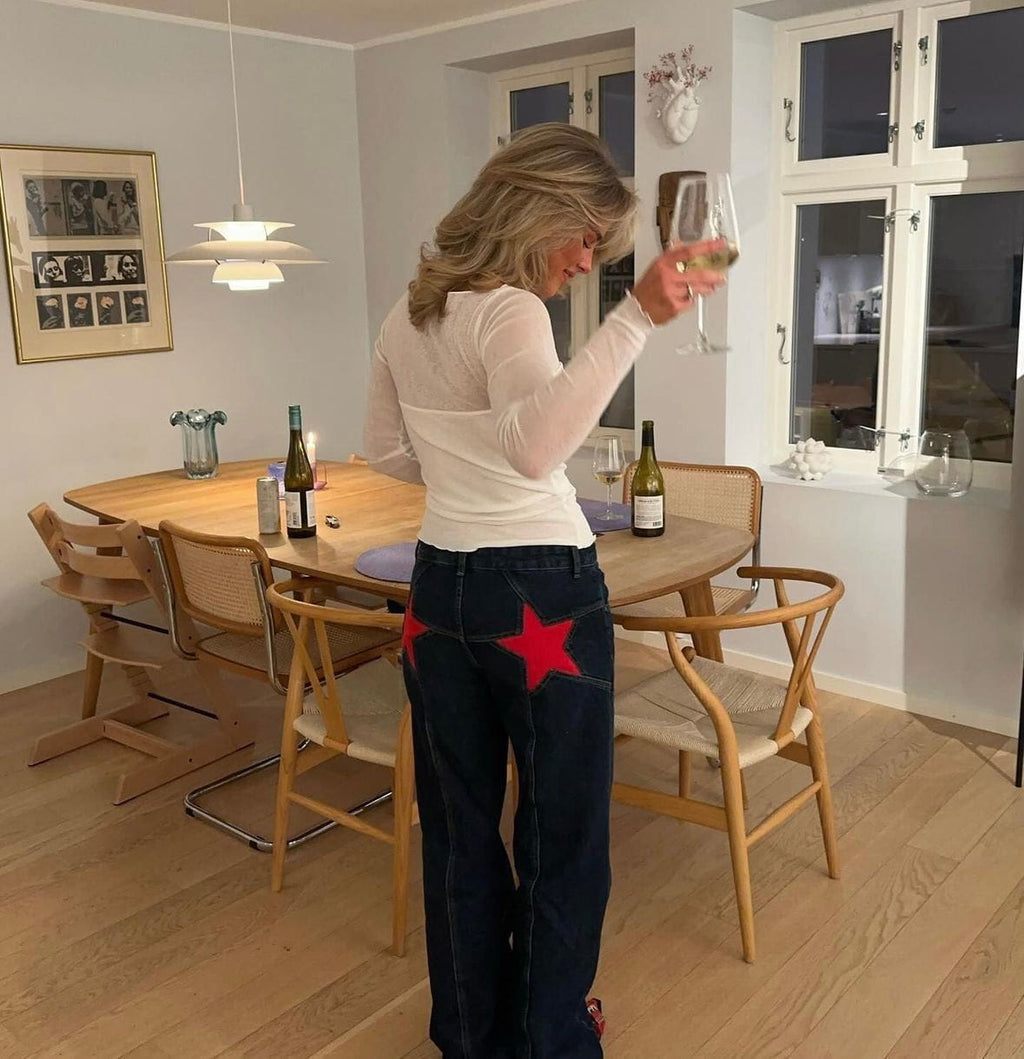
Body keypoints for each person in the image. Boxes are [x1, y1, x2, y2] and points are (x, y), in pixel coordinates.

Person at [364, 123, 724, 1058]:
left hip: (438, 592)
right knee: (563, 838)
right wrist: (638, 314)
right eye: (585, 241)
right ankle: (551, 1039)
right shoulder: (509, 308)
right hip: (540, 592)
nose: (584, 263)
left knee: (458, 832)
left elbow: (387, 453)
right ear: (542, 213)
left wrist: (468, 473)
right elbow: (534, 446)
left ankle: (471, 1038)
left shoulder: (408, 314)